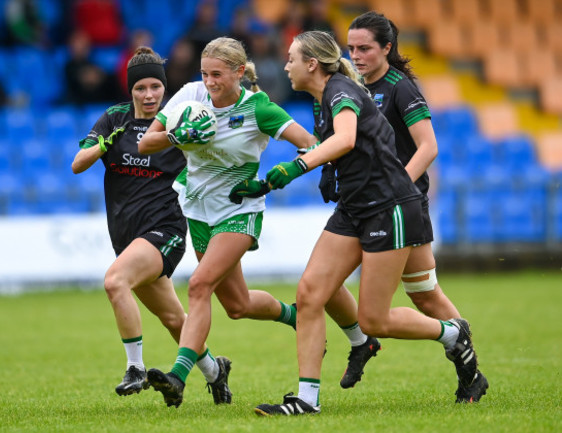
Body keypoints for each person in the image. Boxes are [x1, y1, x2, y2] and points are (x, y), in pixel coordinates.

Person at [246, 31, 487, 416]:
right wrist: (281, 178)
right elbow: (336, 147)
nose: (286, 64)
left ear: (312, 64)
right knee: (310, 293)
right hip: (355, 208)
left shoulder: (341, 90)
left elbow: (344, 139)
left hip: (388, 207)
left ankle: (452, 333)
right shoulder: (321, 99)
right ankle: (306, 401)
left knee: (376, 317)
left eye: (291, 58)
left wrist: (298, 166)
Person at [138, 36, 363, 409]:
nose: (209, 83)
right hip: (197, 210)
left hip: (239, 211)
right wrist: (177, 135)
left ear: (239, 73)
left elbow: (311, 143)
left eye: (218, 75)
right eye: (205, 74)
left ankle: (178, 376)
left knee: (198, 286)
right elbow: (147, 144)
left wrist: (275, 177)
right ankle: (295, 316)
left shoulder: (258, 108)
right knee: (237, 305)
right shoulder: (190, 96)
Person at [71, 46, 230, 404]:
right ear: (130, 90)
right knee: (174, 319)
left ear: (164, 87)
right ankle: (216, 373)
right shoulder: (114, 119)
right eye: (141, 88)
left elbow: (215, 154)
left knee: (115, 281)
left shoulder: (179, 119)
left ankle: (135, 368)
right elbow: (78, 164)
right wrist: (101, 146)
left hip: (165, 228)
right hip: (126, 235)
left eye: (155, 87)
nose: (149, 95)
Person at [345, 11, 489, 400]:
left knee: (422, 296)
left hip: (398, 205)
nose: (355, 55)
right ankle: (469, 369)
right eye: (351, 48)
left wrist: (396, 187)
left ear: (387, 48)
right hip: (380, 204)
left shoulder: (401, 88)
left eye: (365, 48)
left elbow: (428, 147)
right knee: (425, 293)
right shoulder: (357, 86)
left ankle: (462, 361)